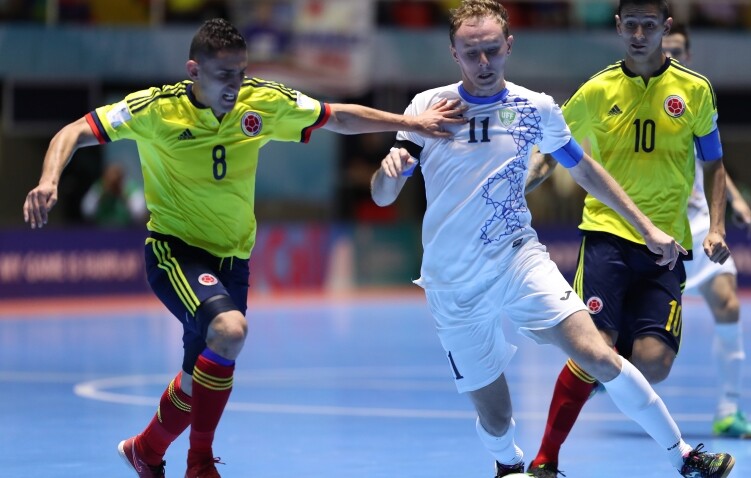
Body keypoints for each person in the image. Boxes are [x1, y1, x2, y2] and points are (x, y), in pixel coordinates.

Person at [22, 18, 465, 478]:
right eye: (223, 75)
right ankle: (199, 464)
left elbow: (337, 116)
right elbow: (72, 131)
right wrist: (48, 180)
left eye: (241, 72)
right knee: (230, 331)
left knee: (198, 380)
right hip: (176, 251)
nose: (235, 85)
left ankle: (146, 449)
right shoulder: (154, 110)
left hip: (233, 260)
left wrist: (411, 122)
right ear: (194, 70)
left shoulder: (262, 102)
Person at [370, 1, 734, 477]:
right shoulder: (426, 108)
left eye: (492, 51)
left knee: (596, 353)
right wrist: (389, 174)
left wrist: (647, 229)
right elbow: (381, 196)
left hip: (518, 259)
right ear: (453, 52)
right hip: (452, 282)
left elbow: (584, 169)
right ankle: (510, 465)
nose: (484, 64)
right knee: (495, 416)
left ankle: (684, 456)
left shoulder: (535, 107)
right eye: (471, 53)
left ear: (509, 47)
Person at [523, 1, 733, 477]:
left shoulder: (695, 91)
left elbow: (715, 162)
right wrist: (522, 186)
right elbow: (552, 150)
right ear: (618, 26)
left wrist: (717, 226)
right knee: (594, 347)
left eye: (649, 25)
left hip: (667, 246)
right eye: (631, 24)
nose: (639, 33)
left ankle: (600, 371)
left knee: (654, 364)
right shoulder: (597, 90)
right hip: (607, 236)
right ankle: (545, 459)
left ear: (666, 27)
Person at [663, 23, 751, 440]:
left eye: (676, 49)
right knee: (637, 333)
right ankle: (601, 366)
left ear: (687, 54)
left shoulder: (695, 97)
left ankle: (729, 409)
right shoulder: (633, 95)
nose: (669, 55)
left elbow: (712, 161)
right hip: (656, 225)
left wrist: (735, 201)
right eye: (663, 47)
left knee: (728, 304)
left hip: (700, 221)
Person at [80, 162, 147, 227]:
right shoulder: (99, 187)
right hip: (102, 230)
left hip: (127, 231)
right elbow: (87, 212)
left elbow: (140, 215)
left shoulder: (131, 188)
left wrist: (122, 195)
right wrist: (102, 195)